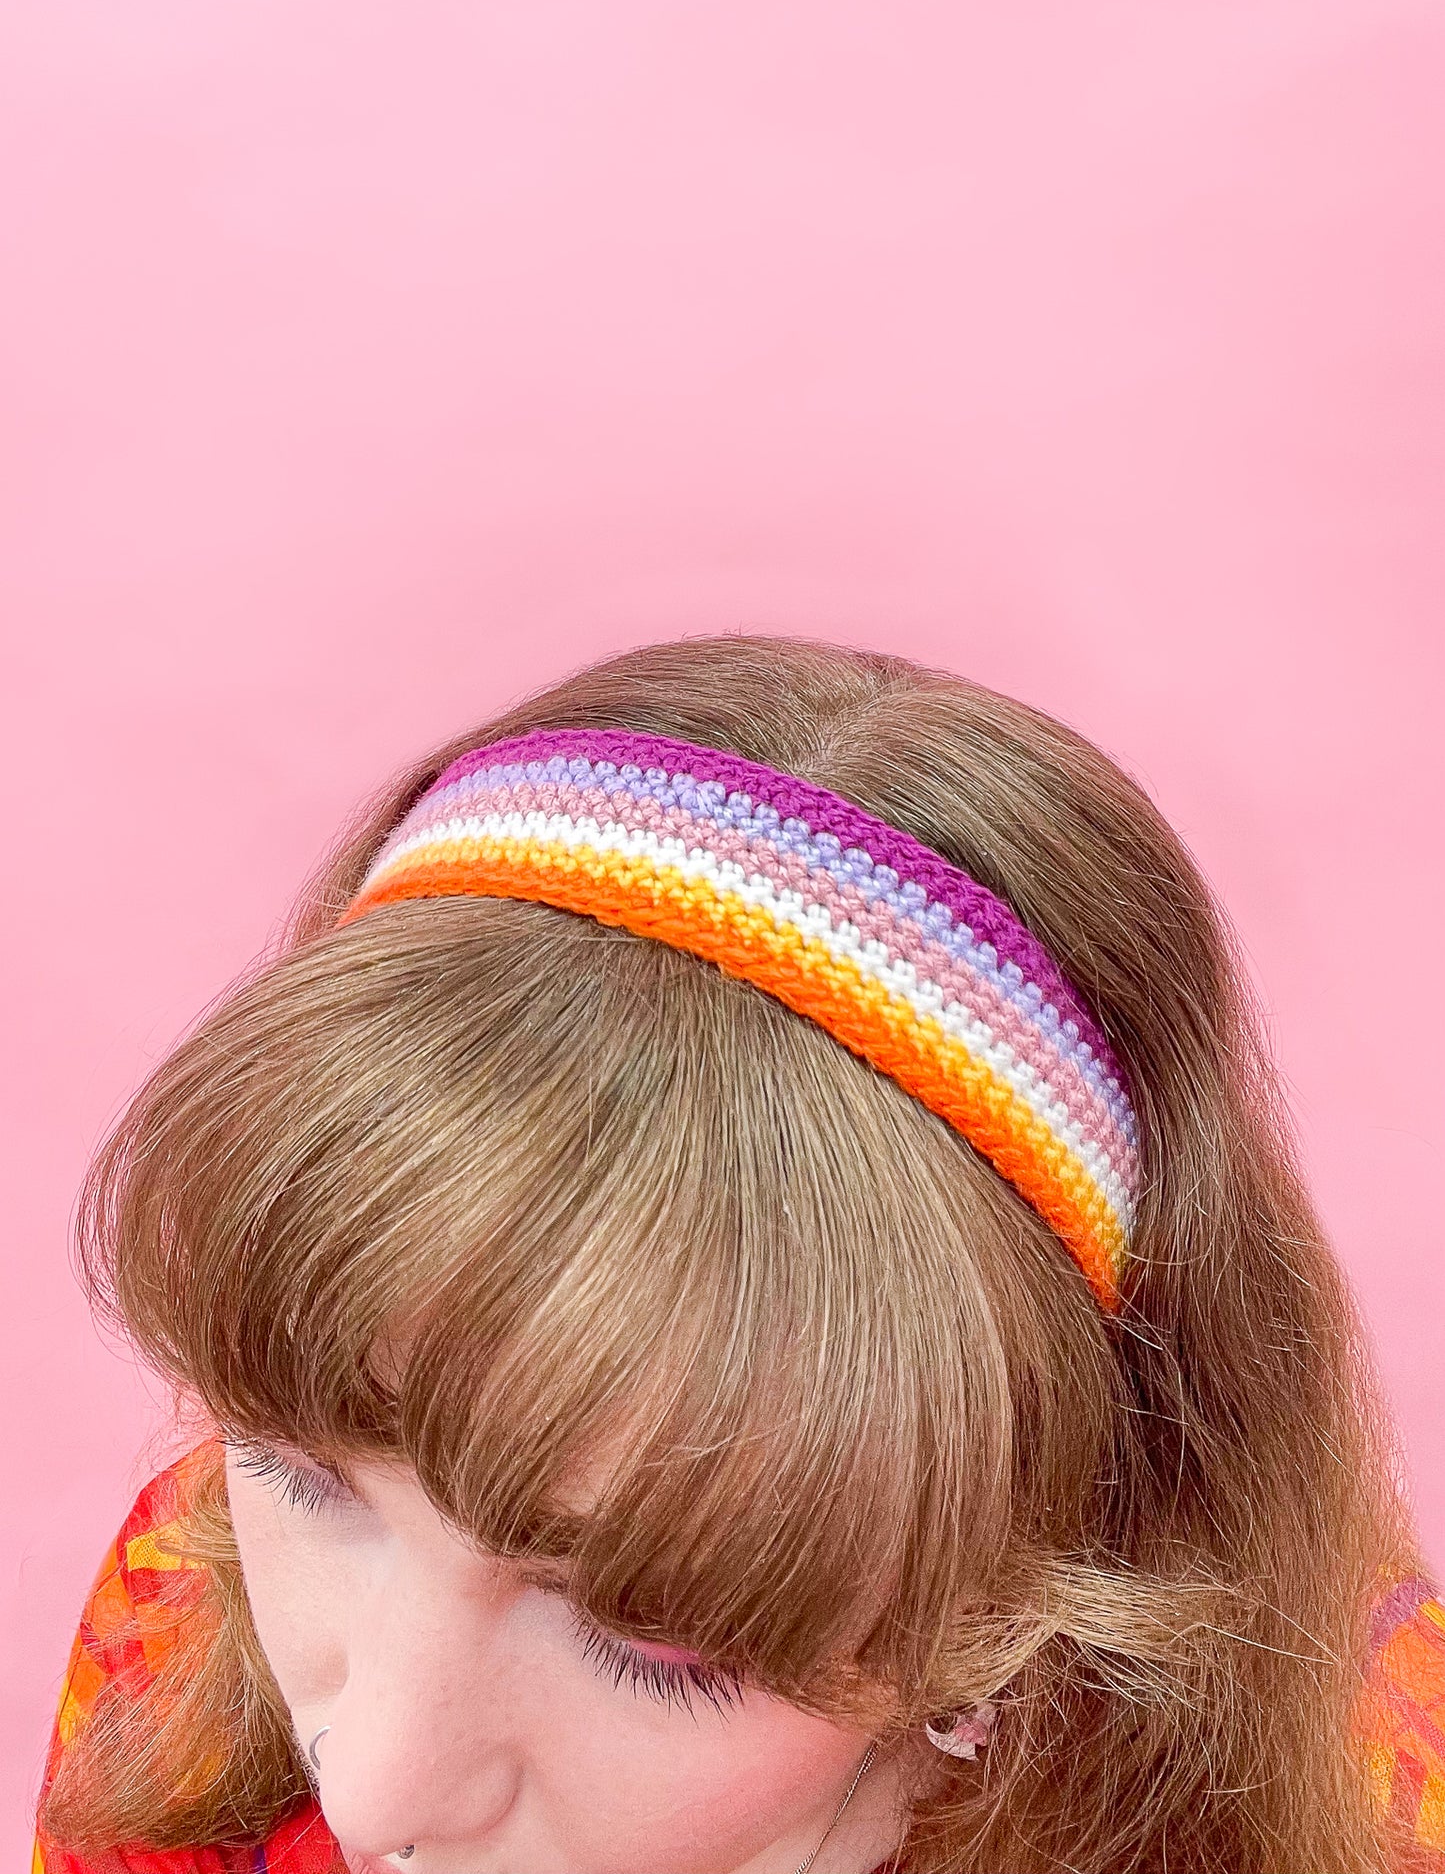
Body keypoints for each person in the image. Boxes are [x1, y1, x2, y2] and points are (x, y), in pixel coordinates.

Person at [32, 633, 1445, 1873]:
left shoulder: (1375, 1802)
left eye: (652, 1641)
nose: (374, 1787)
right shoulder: (182, 1610)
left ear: (1017, 1592)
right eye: (299, 1470)